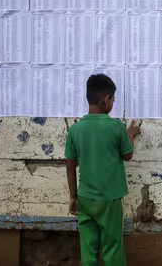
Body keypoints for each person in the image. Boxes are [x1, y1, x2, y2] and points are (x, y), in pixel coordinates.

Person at [65, 73, 141, 266]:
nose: (113, 103)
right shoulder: (116, 127)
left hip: (85, 197)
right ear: (106, 99)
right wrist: (130, 133)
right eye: (113, 99)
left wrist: (73, 196)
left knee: (88, 250)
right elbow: (127, 154)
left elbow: (70, 163)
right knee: (112, 248)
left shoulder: (75, 129)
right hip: (109, 200)